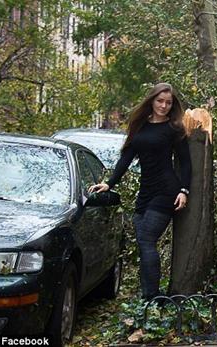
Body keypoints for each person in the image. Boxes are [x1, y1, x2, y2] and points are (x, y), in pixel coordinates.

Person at [88, 82, 192, 301]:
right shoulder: (140, 127)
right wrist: (109, 184)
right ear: (152, 101)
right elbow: (125, 158)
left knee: (146, 239)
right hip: (145, 193)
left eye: (168, 103)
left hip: (166, 191)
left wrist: (184, 190)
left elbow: (185, 162)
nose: (163, 106)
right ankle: (148, 297)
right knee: (143, 241)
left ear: (172, 106)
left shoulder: (174, 128)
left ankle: (152, 298)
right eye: (160, 101)